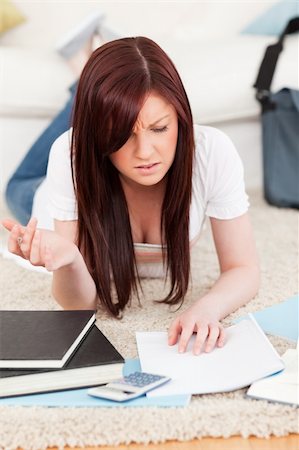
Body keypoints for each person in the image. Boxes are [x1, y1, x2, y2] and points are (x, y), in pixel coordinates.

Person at [2, 36, 260, 356]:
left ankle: (92, 76)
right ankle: (83, 80)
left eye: (160, 128)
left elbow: (244, 268)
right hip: (41, 192)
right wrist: (67, 256)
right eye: (122, 134)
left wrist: (206, 309)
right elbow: (79, 304)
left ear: (180, 117)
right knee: (16, 187)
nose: (145, 153)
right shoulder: (70, 154)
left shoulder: (211, 151)